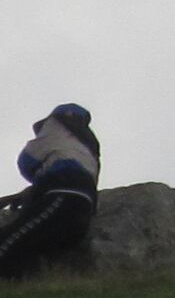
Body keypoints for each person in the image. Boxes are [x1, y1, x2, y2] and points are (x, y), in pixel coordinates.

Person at [0, 104, 100, 279]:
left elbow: (27, 160)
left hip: (61, 199)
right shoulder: (89, 149)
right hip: (82, 211)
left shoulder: (57, 125)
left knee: (6, 243)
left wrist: (37, 176)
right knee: (27, 249)